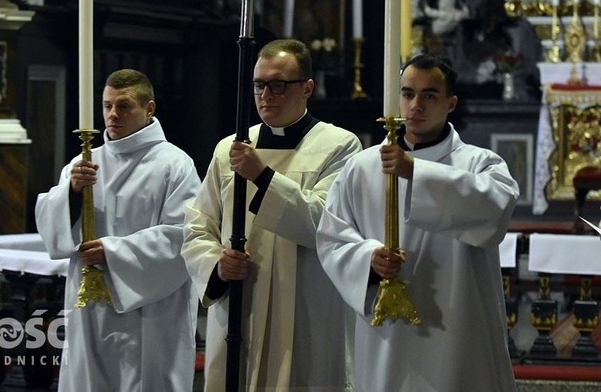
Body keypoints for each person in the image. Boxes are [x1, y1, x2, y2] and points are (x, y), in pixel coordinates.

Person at [316, 54, 519, 391]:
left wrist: (415, 172)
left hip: (458, 331)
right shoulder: (361, 167)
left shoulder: (480, 164)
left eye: (429, 95)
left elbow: (495, 210)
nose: (416, 105)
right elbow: (332, 237)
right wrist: (367, 258)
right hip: (387, 335)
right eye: (408, 93)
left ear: (451, 103)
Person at [182, 39, 362, 390]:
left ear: (307, 88)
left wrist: (263, 177)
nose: (266, 95)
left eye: (279, 85)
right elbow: (198, 226)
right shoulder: (229, 149)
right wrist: (216, 265)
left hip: (305, 309)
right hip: (240, 305)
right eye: (259, 85)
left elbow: (327, 225)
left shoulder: (340, 146)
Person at [35, 69, 201, 391]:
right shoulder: (83, 163)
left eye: (123, 106)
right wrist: (70, 192)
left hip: (150, 309)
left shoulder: (175, 165)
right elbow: (50, 228)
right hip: (90, 308)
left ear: (149, 109)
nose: (112, 115)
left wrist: (112, 252)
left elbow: (185, 236)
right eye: (107, 105)